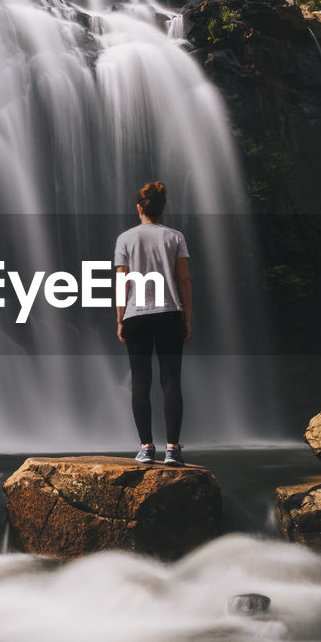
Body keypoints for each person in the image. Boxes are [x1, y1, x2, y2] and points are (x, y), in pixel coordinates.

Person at [114, 181, 191, 466]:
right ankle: (172, 449)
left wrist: (120, 318)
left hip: (136, 315)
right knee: (171, 380)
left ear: (140, 209)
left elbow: (122, 281)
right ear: (161, 208)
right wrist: (187, 317)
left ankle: (146, 447)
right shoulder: (175, 237)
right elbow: (184, 279)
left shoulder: (125, 239)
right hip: (170, 312)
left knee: (140, 381)